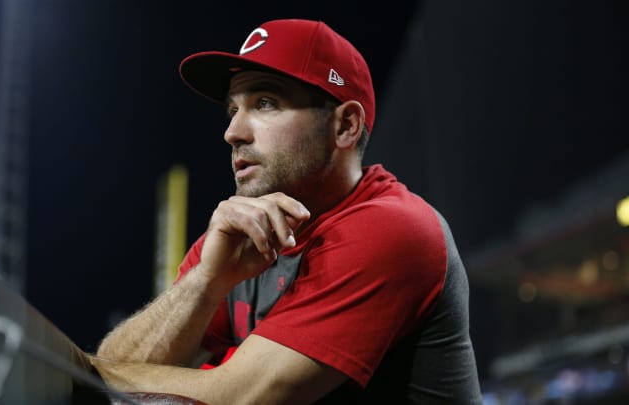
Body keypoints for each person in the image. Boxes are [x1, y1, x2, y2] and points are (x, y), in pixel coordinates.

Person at [90, 18, 483, 404]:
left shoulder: (393, 228)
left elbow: (237, 399)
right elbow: (115, 380)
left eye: (265, 103)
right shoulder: (236, 234)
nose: (233, 133)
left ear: (345, 125)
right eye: (232, 110)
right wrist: (207, 282)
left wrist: (93, 371)